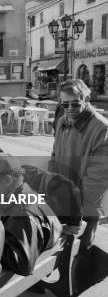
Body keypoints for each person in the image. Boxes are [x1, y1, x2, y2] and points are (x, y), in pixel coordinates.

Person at [49, 79, 108, 250]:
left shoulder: (101, 128)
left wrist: (80, 209)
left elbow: (98, 178)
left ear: (86, 100)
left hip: (85, 205)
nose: (69, 110)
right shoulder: (62, 121)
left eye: (75, 104)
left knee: (82, 250)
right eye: (64, 105)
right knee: (60, 250)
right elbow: (54, 155)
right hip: (62, 198)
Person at [0, 153, 62, 276]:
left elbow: (23, 264)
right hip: (43, 245)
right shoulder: (23, 191)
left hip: (28, 259)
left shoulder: (21, 213)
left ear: (7, 180)